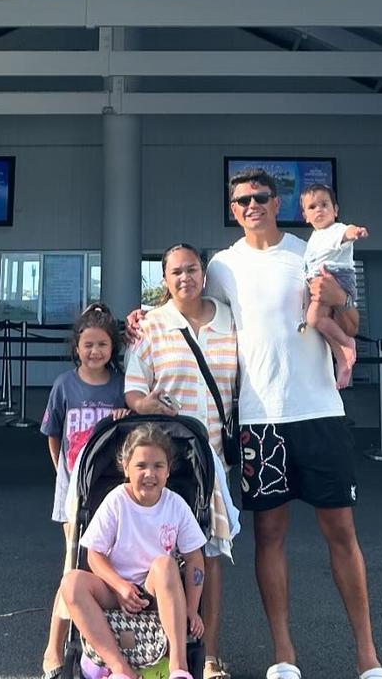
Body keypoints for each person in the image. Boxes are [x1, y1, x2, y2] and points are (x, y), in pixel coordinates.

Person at [203, 168, 382, 679]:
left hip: (320, 412)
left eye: (260, 197)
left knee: (341, 530)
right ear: (233, 208)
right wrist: (141, 319)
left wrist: (338, 297)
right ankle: (284, 655)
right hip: (259, 421)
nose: (251, 206)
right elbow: (189, 309)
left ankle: (367, 656)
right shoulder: (222, 266)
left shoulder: (308, 251)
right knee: (269, 533)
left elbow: (350, 326)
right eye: (241, 200)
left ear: (278, 201)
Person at [124, 244, 239, 679]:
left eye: (191, 269)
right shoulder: (152, 325)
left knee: (208, 555)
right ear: (164, 279)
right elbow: (133, 390)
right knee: (158, 554)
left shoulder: (230, 319)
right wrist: (145, 401)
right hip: (169, 461)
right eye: (175, 272)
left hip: (215, 463)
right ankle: (158, 651)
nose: (184, 277)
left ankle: (208, 655)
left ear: (204, 274)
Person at [60, 423, 206, 679]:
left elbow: (195, 558)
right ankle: (120, 669)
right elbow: (94, 554)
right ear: (126, 467)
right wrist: (119, 586)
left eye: (158, 466)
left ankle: (179, 668)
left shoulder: (175, 505)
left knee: (164, 565)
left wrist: (192, 609)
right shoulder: (117, 500)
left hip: (155, 593)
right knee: (71, 583)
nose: (150, 473)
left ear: (168, 471)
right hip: (116, 591)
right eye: (141, 466)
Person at [40, 303, 130, 679]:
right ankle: (54, 649)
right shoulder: (64, 385)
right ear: (76, 346)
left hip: (109, 493)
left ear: (114, 348)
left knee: (109, 566)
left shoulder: (121, 385)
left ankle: (101, 645)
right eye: (88, 344)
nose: (95, 352)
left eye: (103, 345)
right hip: (74, 496)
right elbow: (54, 437)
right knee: (73, 564)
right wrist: (66, 475)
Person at [300, 183, 369, 390]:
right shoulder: (314, 237)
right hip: (320, 279)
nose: (319, 210)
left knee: (314, 318)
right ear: (305, 215)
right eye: (312, 207)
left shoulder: (335, 229)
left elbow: (346, 232)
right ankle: (342, 356)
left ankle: (347, 344)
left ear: (335, 210)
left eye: (324, 204)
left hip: (337, 277)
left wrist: (355, 231)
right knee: (318, 322)